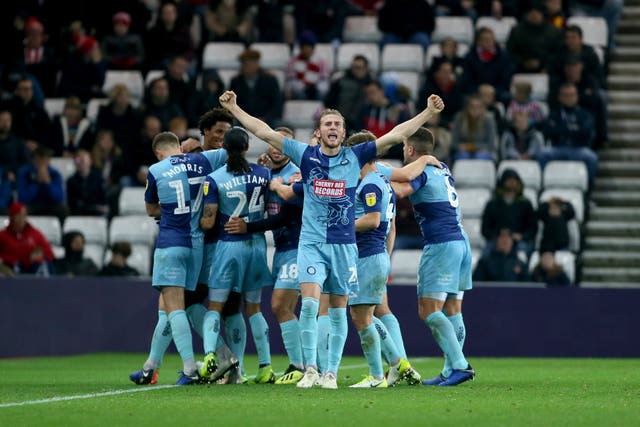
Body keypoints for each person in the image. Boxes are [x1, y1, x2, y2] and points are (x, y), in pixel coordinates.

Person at [218, 89, 445, 389]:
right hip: (311, 244)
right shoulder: (304, 154)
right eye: (328, 124)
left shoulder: (356, 155)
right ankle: (311, 368)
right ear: (319, 132)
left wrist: (428, 113)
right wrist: (234, 108)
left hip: (343, 246)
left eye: (338, 124)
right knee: (310, 306)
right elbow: (264, 131)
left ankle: (331, 374)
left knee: (339, 311)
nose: (333, 128)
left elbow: (395, 134)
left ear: (343, 132)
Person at [130, 131, 223, 386]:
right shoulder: (203, 161)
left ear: (159, 152)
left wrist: (170, 209)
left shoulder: (156, 169)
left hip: (171, 243)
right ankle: (150, 367)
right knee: (167, 309)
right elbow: (231, 153)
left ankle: (190, 368)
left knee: (174, 308)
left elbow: (151, 209)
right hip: (196, 246)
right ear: (178, 148)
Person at [390, 126, 475, 386]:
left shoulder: (423, 171)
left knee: (428, 310)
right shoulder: (443, 168)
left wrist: (371, 176)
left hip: (441, 245)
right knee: (453, 309)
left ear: (411, 149)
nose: (404, 151)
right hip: (462, 242)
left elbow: (402, 191)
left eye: (404, 147)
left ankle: (460, 365)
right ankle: (451, 369)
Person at [224, 127, 305, 385]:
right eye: (273, 144)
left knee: (280, 305)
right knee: (292, 309)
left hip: (298, 245)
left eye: (283, 145)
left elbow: (287, 215)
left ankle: (299, 364)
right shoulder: (268, 174)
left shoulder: (295, 175)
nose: (276, 149)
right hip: (281, 248)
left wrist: (249, 227)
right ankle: (308, 364)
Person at [344, 131, 421, 388]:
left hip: (367, 254)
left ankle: (377, 376)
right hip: (374, 254)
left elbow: (373, 220)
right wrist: (385, 256)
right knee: (368, 313)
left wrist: (339, 228)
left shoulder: (371, 184)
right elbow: (391, 226)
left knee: (361, 316)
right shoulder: (382, 181)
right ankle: (400, 365)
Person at [199, 127, 275, 384]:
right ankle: (263, 366)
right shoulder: (264, 174)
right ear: (246, 147)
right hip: (256, 245)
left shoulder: (214, 178)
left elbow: (208, 222)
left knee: (216, 306)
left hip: (229, 245)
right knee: (253, 308)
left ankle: (211, 355)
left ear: (224, 149)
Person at [539, 83, 597, 190]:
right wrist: (573, 129)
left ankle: (588, 191)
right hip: (558, 148)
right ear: (560, 97)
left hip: (577, 149)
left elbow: (586, 132)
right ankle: (542, 187)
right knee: (543, 154)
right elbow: (548, 131)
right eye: (566, 95)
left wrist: (562, 128)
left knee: (591, 157)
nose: (569, 98)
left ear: (577, 97)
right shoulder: (554, 114)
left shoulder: (585, 114)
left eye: (572, 95)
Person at [481, 168, 538, 260]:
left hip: (519, 241)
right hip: (497, 240)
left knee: (521, 253)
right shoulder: (492, 204)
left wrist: (521, 236)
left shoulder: (525, 203)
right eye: (509, 180)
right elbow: (485, 230)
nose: (512, 183)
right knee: (486, 253)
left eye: (514, 181)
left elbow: (533, 228)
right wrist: (499, 235)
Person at [229, 49, 282, 128]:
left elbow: (277, 104)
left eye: (248, 65)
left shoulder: (270, 80)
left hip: (267, 120)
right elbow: (233, 105)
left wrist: (266, 118)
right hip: (243, 121)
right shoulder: (236, 82)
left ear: (256, 64)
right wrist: (244, 119)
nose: (245, 67)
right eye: (243, 65)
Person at [461, 27, 513, 105]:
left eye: (491, 39)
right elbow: (467, 81)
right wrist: (480, 89)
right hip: (476, 91)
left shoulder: (503, 57)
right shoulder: (469, 57)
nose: (489, 42)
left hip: (497, 92)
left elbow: (506, 80)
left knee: (507, 97)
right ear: (478, 41)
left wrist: (493, 90)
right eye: (485, 39)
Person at [0, 202, 54, 275]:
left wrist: (40, 254)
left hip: (32, 269)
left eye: (24, 215)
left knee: (44, 265)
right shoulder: (3, 235)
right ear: (12, 217)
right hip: (10, 269)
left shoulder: (35, 233)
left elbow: (49, 253)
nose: (22, 218)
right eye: (19, 215)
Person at [506, 3, 562, 73]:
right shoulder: (517, 31)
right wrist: (523, 62)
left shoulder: (553, 32)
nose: (534, 15)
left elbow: (557, 53)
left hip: (547, 69)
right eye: (531, 12)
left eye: (537, 12)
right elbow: (510, 52)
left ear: (542, 14)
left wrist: (546, 67)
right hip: (520, 68)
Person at [16, 146, 67, 221]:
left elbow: (59, 198)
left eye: (45, 160)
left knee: (63, 210)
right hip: (32, 206)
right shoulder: (24, 173)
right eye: (39, 160)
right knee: (21, 210)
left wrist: (48, 183)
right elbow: (23, 198)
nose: (42, 163)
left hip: (50, 207)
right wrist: (37, 183)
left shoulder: (55, 174)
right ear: (33, 160)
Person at [324, 55, 373, 132]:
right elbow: (329, 102)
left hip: (364, 124)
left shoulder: (372, 84)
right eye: (354, 67)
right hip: (342, 122)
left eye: (359, 68)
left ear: (366, 68)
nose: (356, 70)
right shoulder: (340, 82)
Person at [284, 31, 330, 101]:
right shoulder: (292, 62)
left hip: (316, 91)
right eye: (304, 48)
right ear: (300, 48)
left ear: (313, 48)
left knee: (322, 91)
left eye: (308, 48)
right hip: (300, 92)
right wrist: (303, 87)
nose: (306, 51)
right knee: (297, 91)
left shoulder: (321, 62)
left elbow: (323, 80)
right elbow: (291, 80)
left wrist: (315, 87)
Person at [450, 95, 498, 161]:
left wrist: (472, 147)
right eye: (472, 107)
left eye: (478, 107)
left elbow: (491, 144)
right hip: (464, 151)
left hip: (483, 151)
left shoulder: (489, 119)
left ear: (483, 108)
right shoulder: (459, 118)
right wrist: (460, 147)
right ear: (467, 108)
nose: (475, 110)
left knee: (481, 156)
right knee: (463, 155)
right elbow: (454, 143)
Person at [66, 149, 108, 216]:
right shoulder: (71, 181)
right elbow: (73, 203)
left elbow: (103, 199)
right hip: (79, 213)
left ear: (90, 161)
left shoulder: (98, 178)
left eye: (84, 160)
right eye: (79, 160)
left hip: (97, 213)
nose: (81, 163)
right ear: (74, 162)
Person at [0, 109, 30, 182]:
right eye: (2, 120)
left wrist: (15, 173)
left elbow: (26, 162)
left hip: (16, 178)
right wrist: (5, 173)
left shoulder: (18, 141)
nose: (5, 123)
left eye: (8, 120)